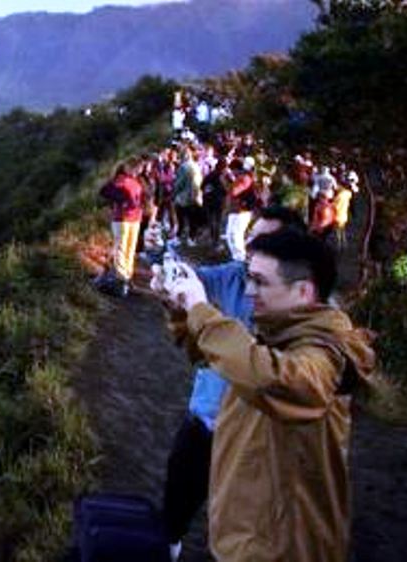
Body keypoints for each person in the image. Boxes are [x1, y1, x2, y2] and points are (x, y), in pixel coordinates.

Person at [162, 229, 376, 562]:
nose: (248, 292)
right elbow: (220, 358)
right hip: (247, 536)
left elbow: (270, 378)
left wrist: (202, 311)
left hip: (280, 547)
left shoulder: (325, 356)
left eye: (260, 282)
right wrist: (180, 309)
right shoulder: (279, 336)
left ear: (303, 291)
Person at [157, 206, 306, 561]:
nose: (251, 243)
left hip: (257, 444)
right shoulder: (234, 274)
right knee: (172, 517)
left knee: (239, 538)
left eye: (264, 238)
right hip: (204, 422)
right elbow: (196, 281)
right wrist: (170, 274)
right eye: (251, 234)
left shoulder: (303, 309)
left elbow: (262, 370)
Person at [98, 160, 144, 297]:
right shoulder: (121, 180)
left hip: (133, 219)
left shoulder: (133, 181)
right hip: (122, 219)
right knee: (122, 249)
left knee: (129, 249)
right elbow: (104, 191)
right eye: (138, 168)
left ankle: (126, 278)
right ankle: (121, 280)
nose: (140, 170)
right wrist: (121, 201)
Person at [224, 156, 257, 261]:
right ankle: (235, 258)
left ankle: (240, 260)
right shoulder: (242, 178)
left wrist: (227, 181)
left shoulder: (245, 178)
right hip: (235, 210)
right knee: (230, 235)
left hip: (242, 211)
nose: (232, 172)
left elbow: (234, 192)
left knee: (236, 235)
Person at [173, 147, 204, 246]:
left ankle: (178, 238)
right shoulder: (197, 166)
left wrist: (174, 192)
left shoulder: (183, 167)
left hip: (183, 198)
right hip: (195, 196)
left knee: (181, 219)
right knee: (192, 220)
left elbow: (179, 183)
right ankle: (191, 239)